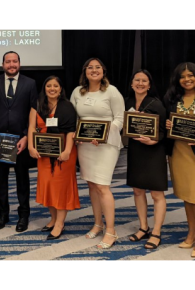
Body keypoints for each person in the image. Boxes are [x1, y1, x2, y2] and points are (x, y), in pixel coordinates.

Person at [70, 57, 125, 249]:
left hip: (106, 145)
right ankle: (97, 224)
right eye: (90, 67)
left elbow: (119, 119)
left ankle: (111, 230)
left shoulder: (112, 91)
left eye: (98, 67)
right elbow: (74, 118)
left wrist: (103, 134)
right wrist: (79, 135)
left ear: (103, 71)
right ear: (85, 71)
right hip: (85, 145)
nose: (94, 70)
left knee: (103, 186)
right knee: (92, 185)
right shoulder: (77, 92)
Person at [0, 51, 38, 232]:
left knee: (22, 181)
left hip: (21, 142)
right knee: (1, 180)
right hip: (0, 142)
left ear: (19, 63)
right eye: (8, 62)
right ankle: (3, 214)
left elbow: (33, 112)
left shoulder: (30, 84)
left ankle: (24, 215)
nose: (11, 65)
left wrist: (26, 136)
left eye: (14, 61)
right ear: (3, 65)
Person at [163, 62, 195, 257]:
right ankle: (191, 233)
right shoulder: (173, 98)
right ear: (178, 80)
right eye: (183, 76)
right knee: (187, 196)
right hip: (178, 153)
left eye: (191, 75)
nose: (187, 79)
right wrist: (167, 124)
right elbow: (168, 121)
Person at [28, 76, 80, 240]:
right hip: (43, 153)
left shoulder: (68, 107)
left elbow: (71, 130)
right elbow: (31, 127)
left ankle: (60, 224)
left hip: (64, 153)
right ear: (44, 88)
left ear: (60, 89)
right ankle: (53, 219)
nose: (52, 88)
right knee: (48, 185)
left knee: (60, 188)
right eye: (48, 86)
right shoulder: (37, 105)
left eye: (55, 86)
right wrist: (30, 146)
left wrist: (67, 151)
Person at [125, 69, 167, 249]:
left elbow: (164, 131)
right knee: (137, 191)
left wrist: (154, 140)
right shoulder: (127, 102)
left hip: (153, 152)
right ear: (132, 83)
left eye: (144, 81)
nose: (140, 83)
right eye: (137, 80)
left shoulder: (156, 104)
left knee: (156, 193)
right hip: (135, 151)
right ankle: (143, 227)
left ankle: (156, 232)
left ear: (149, 85)